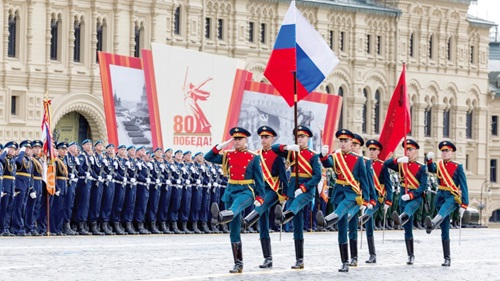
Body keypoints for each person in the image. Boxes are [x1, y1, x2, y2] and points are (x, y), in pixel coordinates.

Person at [205, 127, 264, 274]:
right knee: (234, 229)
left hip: (246, 190)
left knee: (236, 207)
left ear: (246, 140)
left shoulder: (253, 157)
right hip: (230, 190)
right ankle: (238, 264)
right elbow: (208, 157)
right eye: (235, 139)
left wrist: (260, 196)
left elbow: (259, 179)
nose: (237, 141)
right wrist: (221, 145)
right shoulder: (228, 155)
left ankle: (220, 217)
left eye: (240, 139)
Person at [316, 129, 370, 272]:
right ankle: (345, 261)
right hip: (339, 192)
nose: (343, 143)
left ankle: (326, 221)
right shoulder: (336, 156)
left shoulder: (358, 159)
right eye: (341, 141)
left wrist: (367, 200)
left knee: (342, 213)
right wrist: (323, 155)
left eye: (346, 141)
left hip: (353, 194)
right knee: (342, 229)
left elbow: (364, 181)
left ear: (351, 143)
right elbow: (327, 164)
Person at [272, 125, 322, 270]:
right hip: (293, 187)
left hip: (306, 189)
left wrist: (304, 188)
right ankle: (299, 260)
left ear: (308, 139)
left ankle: (283, 216)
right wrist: (288, 147)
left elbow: (317, 176)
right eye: (298, 137)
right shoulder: (292, 152)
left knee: (295, 206)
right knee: (298, 226)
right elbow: (275, 148)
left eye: (302, 137)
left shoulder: (313, 155)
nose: (300, 139)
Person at [243, 126, 288, 268]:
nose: (263, 140)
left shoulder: (277, 156)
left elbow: (283, 176)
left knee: (260, 206)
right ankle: (268, 258)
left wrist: (285, 194)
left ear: (272, 139)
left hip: (273, 190)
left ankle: (245, 222)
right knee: (263, 224)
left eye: (266, 137)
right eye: (262, 137)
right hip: (260, 189)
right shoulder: (256, 155)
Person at [424, 141, 469, 266]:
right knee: (445, 229)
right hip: (441, 196)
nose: (444, 153)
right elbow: (431, 169)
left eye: (447, 151)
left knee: (443, 210)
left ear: (452, 153)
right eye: (443, 151)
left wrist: (464, 204)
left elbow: (464, 186)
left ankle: (432, 223)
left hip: (452, 197)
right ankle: (447, 258)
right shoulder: (438, 165)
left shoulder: (458, 166)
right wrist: (428, 159)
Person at [386, 139, 428, 265]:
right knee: (408, 229)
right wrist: (397, 160)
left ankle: (399, 218)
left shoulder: (422, 167)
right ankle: (410, 255)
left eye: (410, 150)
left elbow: (423, 186)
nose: (408, 152)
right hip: (402, 197)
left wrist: (411, 195)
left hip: (415, 197)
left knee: (408, 210)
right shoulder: (401, 164)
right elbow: (386, 164)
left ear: (416, 151)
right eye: (406, 149)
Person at [359, 139, 393, 263]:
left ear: (379, 151)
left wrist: (388, 201)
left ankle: (361, 219)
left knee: (368, 213)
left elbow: (388, 184)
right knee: (369, 226)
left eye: (374, 149)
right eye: (370, 149)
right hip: (366, 196)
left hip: (377, 198)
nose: (372, 152)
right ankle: (372, 255)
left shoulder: (382, 165)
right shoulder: (363, 163)